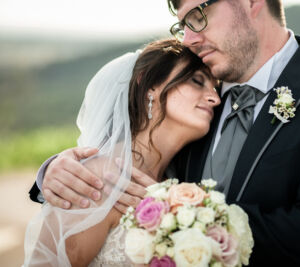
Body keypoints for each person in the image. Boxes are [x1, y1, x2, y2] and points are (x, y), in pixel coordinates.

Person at [30, 0, 300, 266]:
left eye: (197, 16)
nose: (188, 38)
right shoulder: (197, 113)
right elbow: (137, 152)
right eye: (181, 25)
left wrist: (179, 215)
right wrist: (57, 170)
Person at [24, 38, 220, 266]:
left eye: (215, 88)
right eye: (197, 81)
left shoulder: (179, 182)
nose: (214, 98)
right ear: (149, 87)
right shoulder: (97, 178)